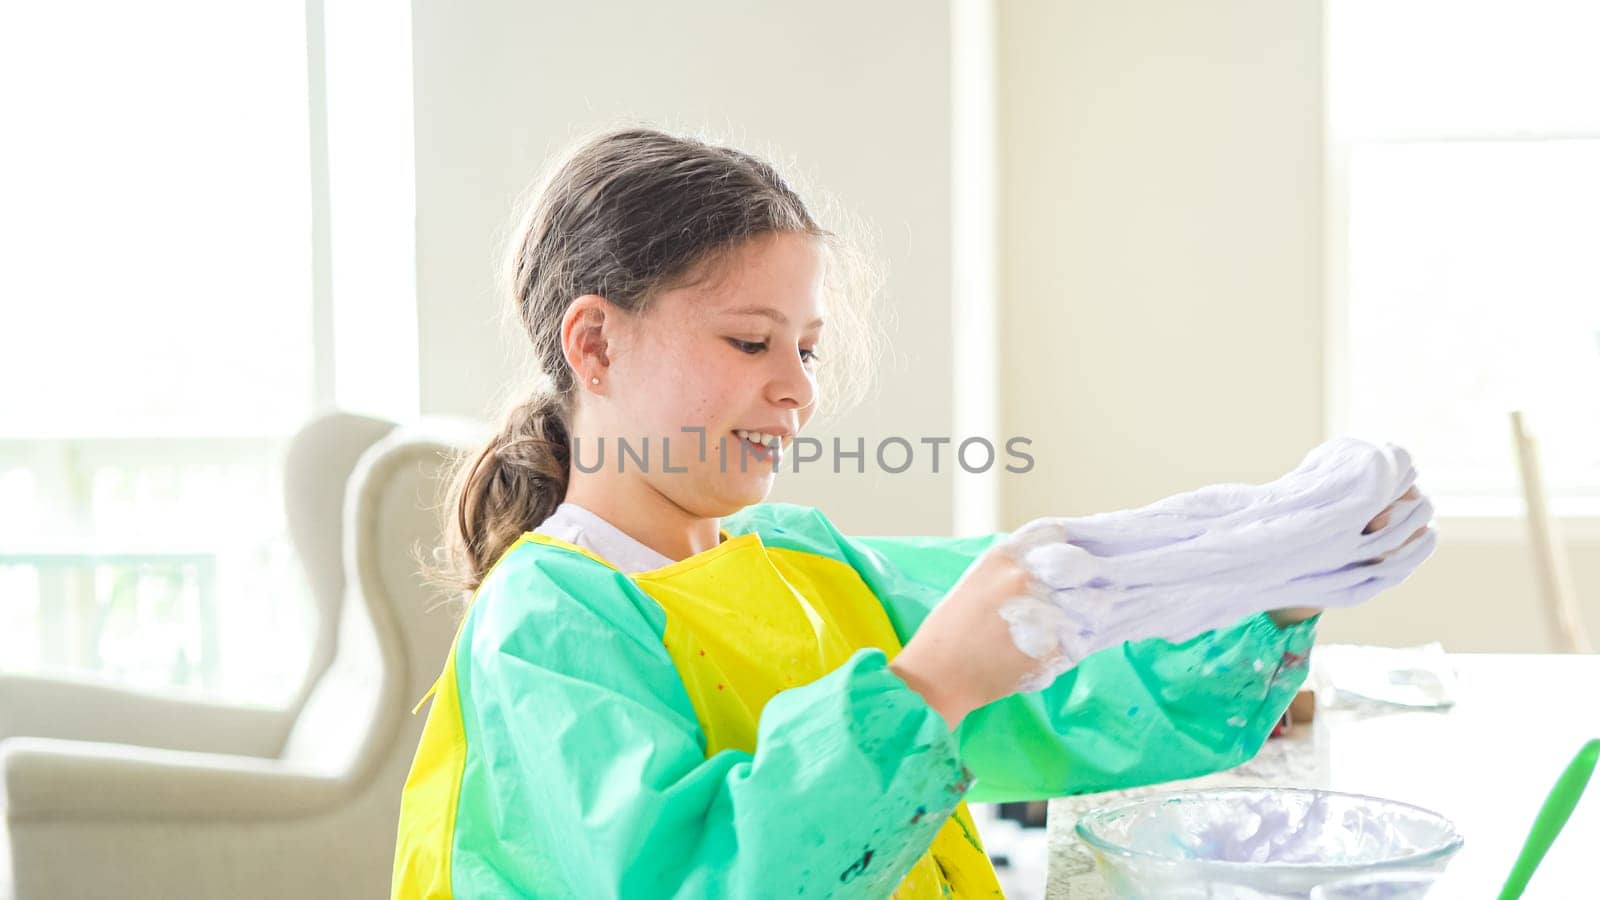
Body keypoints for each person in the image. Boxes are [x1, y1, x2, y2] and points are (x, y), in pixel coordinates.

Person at [390, 127, 1425, 898]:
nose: (795, 387)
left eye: (808, 348)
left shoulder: (799, 561)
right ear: (596, 345)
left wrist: (1267, 594)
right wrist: (927, 687)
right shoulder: (548, 624)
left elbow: (1058, 697)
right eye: (750, 343)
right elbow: (692, 875)